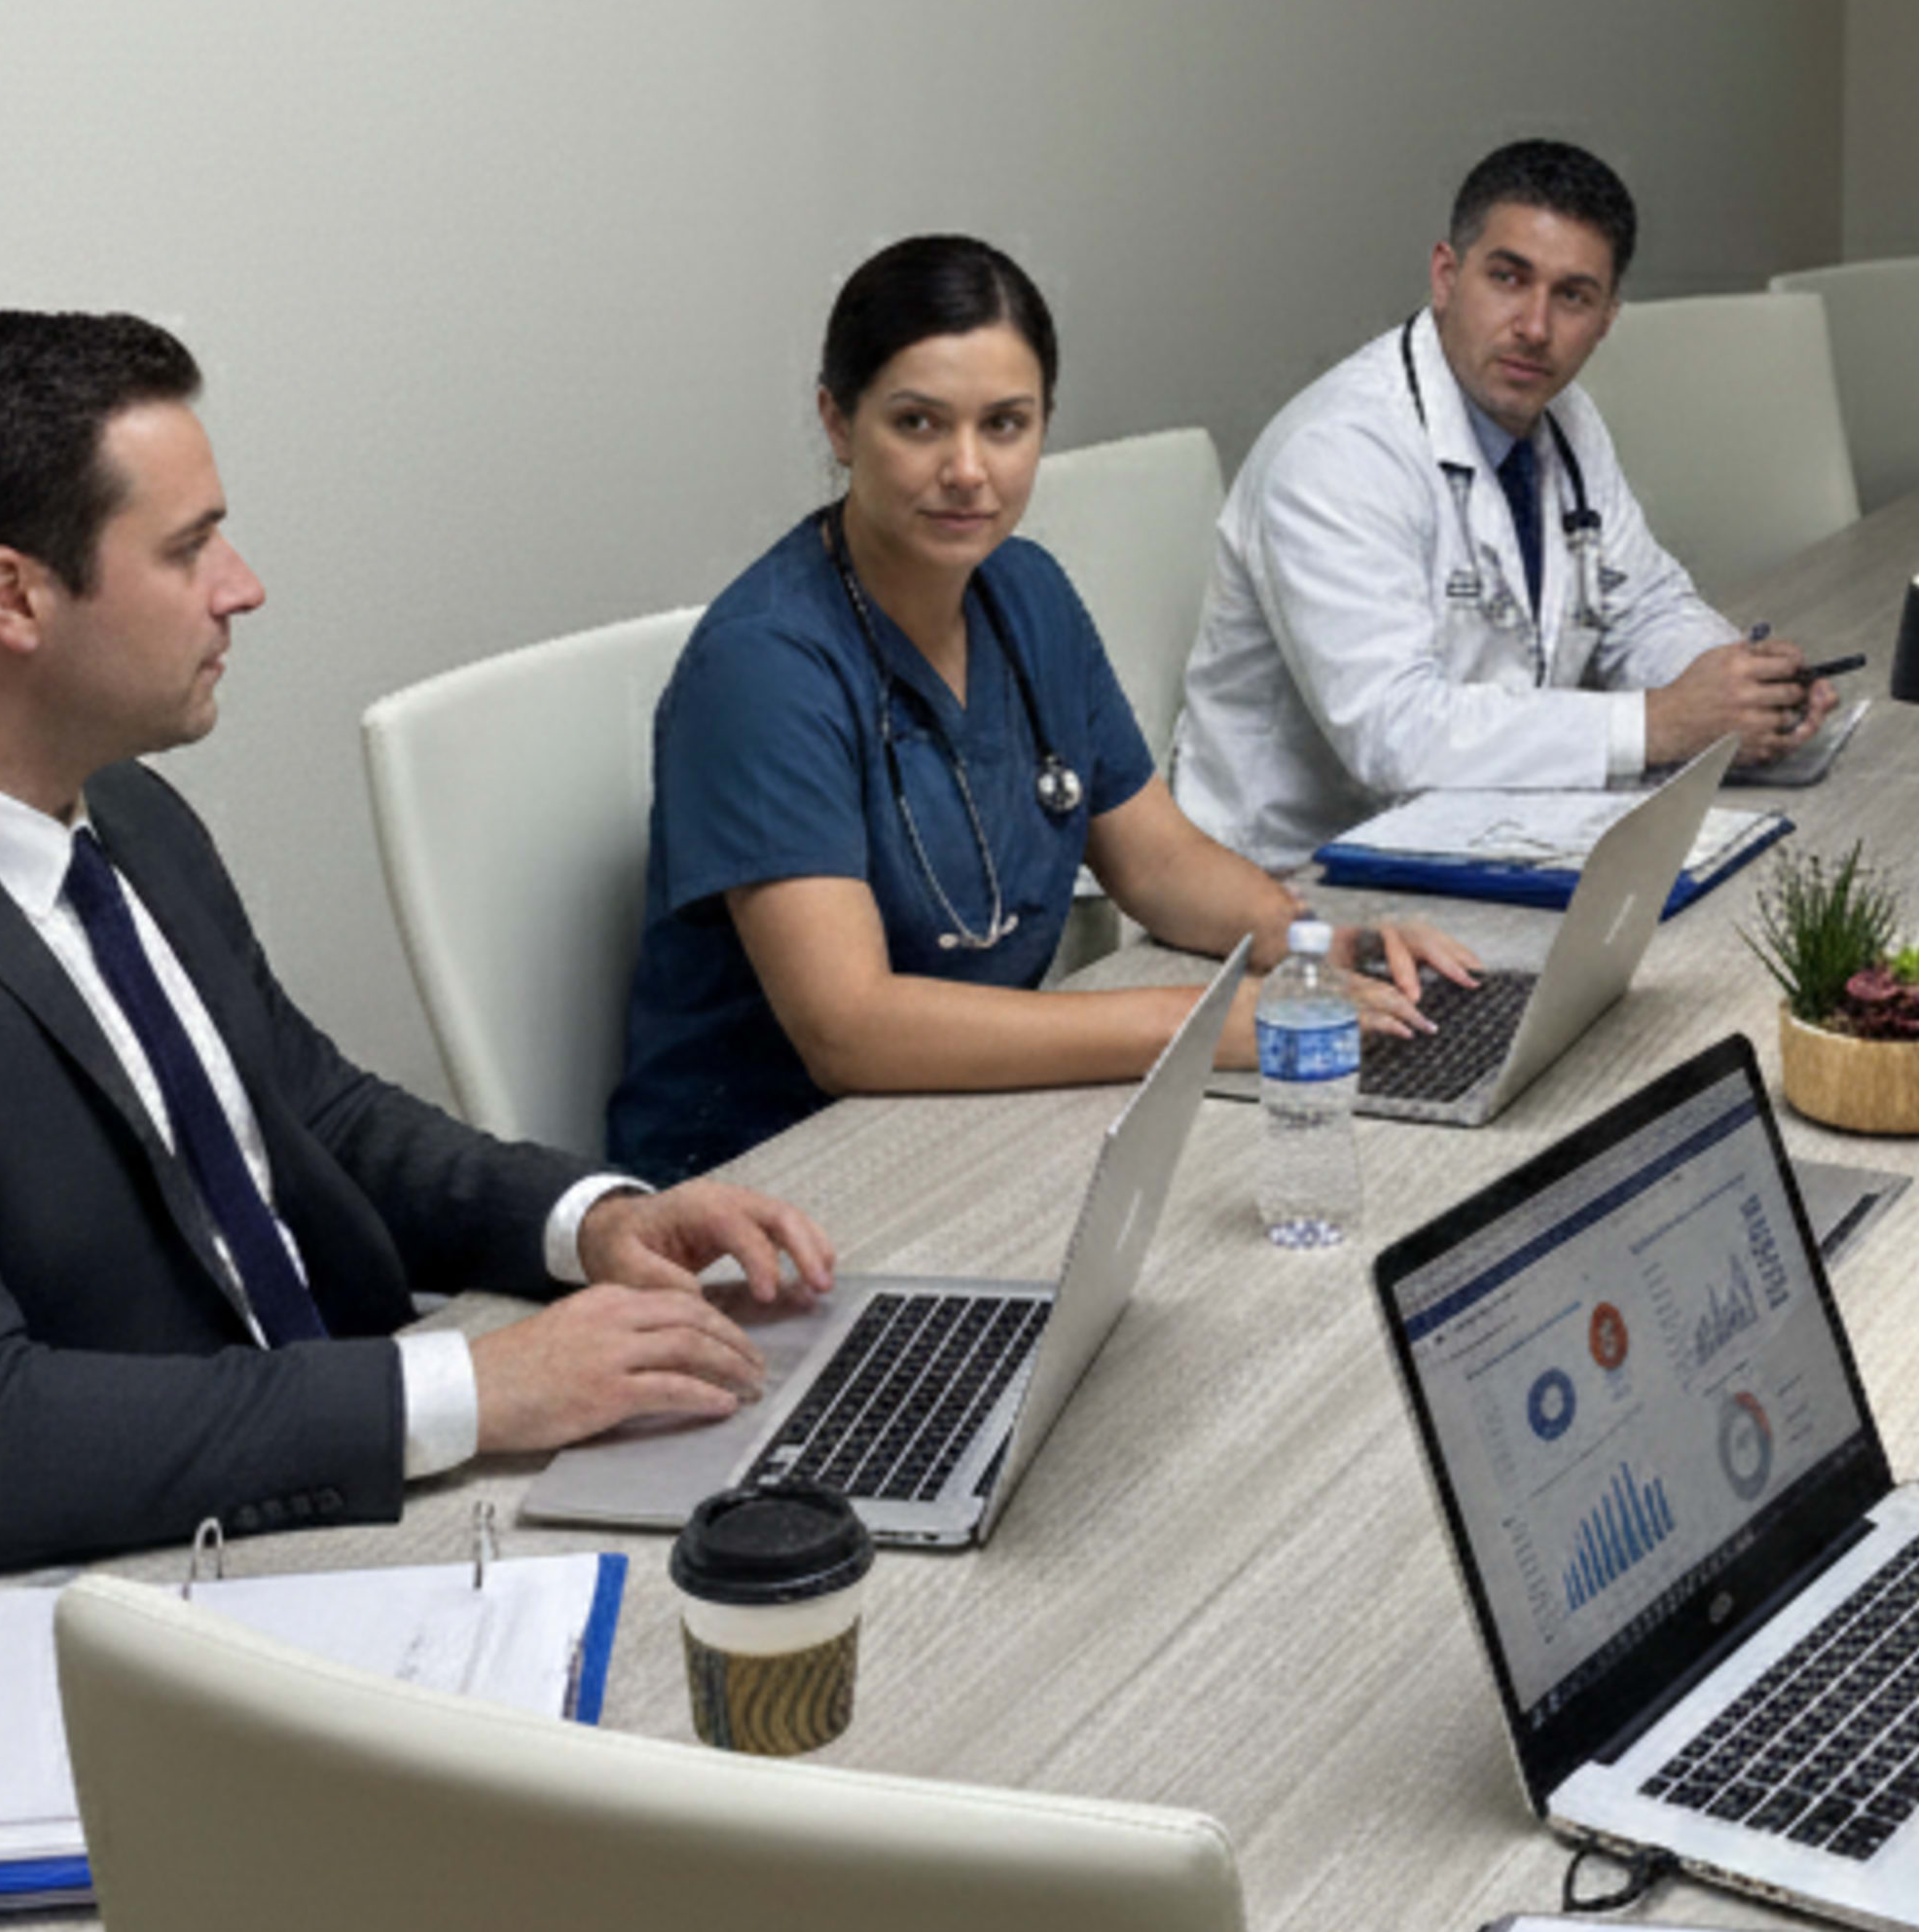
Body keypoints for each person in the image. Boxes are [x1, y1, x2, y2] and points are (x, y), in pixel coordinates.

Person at [0, 314, 830, 1695]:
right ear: (12, 596)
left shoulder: (122, 811)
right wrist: (478, 1389)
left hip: (309, 1535)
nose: (240, 587)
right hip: (50, 1646)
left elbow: (307, 1108)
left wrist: (589, 1219)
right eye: (188, 547)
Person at [611, 237, 1457, 1177]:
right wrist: (1199, 1021)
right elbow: (850, 1030)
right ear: (838, 423)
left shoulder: (1026, 592)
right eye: (919, 423)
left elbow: (1160, 860)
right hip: (770, 1173)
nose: (969, 469)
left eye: (1005, 424)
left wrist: (1312, 945)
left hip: (966, 1119)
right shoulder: (766, 664)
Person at [1168, 136, 1827, 867]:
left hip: (1486, 835)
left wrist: (1741, 685)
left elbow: (1642, 606)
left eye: (1572, 295)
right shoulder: (1336, 451)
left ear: (1608, 316)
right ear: (1447, 276)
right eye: (1509, 278)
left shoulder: (1566, 420)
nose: (1535, 327)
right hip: (1294, 880)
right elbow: (1396, 732)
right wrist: (1661, 721)